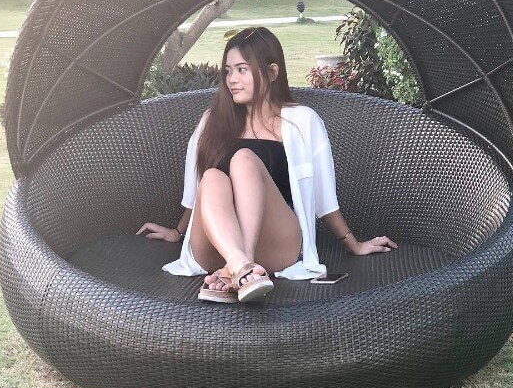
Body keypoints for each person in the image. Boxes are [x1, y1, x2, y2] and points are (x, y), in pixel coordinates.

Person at [137, 26, 398, 303]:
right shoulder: (212, 121)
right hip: (215, 247)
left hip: (275, 244)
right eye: (228, 71)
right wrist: (177, 232)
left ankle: (240, 267)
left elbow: (324, 198)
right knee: (211, 177)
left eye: (242, 70)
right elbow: (196, 194)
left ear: (272, 72)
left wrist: (354, 245)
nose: (232, 80)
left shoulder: (302, 121)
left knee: (244, 159)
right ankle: (242, 268)